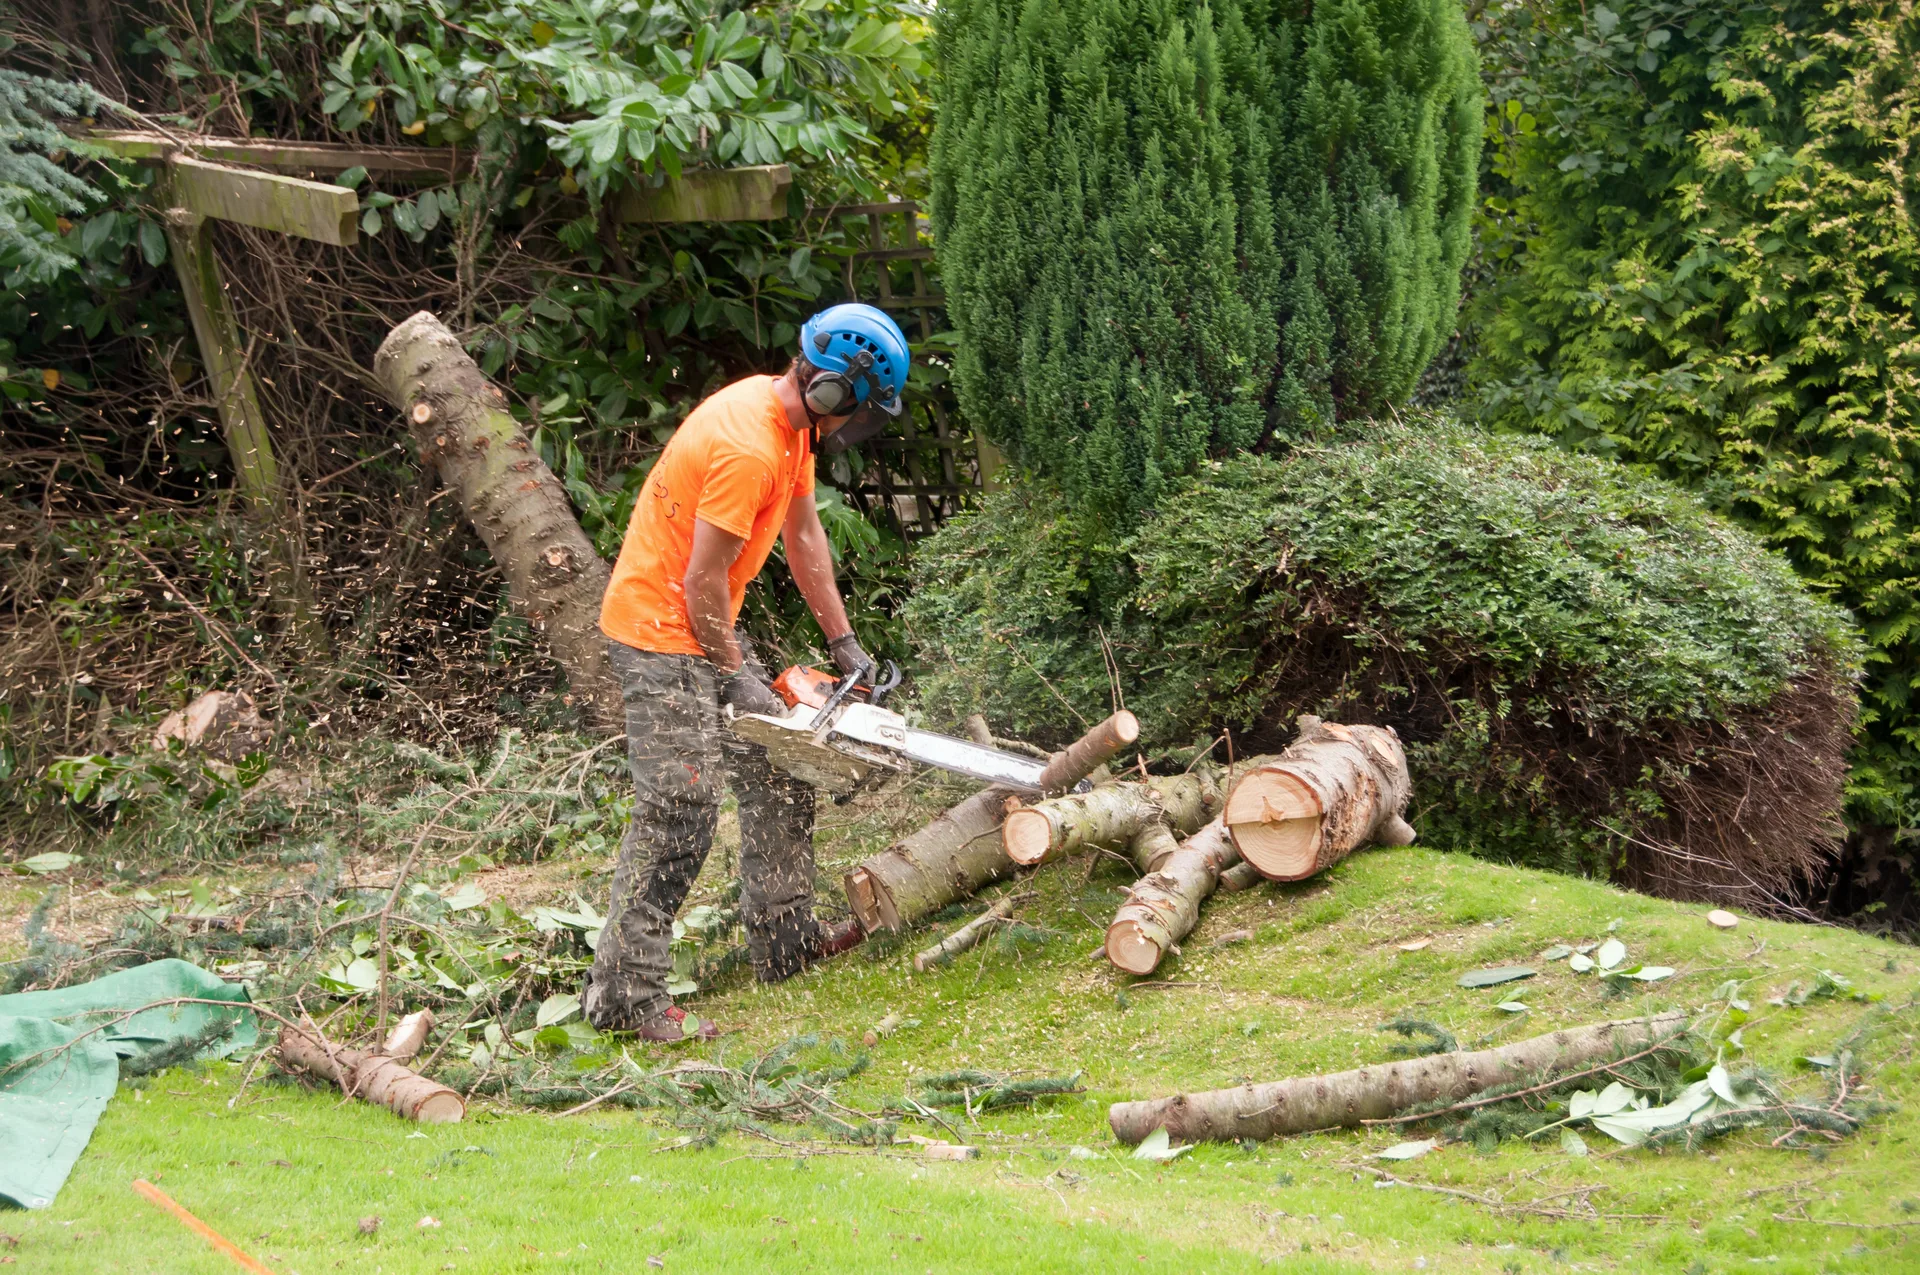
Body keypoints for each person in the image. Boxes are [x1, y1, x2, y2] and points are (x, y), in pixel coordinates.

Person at [584, 303, 909, 1040]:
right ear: (831, 390)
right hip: (660, 630)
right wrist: (734, 671)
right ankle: (624, 997)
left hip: (701, 625)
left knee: (780, 761)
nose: (850, 423)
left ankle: (785, 939)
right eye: (854, 408)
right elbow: (703, 581)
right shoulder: (750, 446)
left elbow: (803, 536)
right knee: (679, 808)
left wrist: (845, 642)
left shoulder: (789, 428)